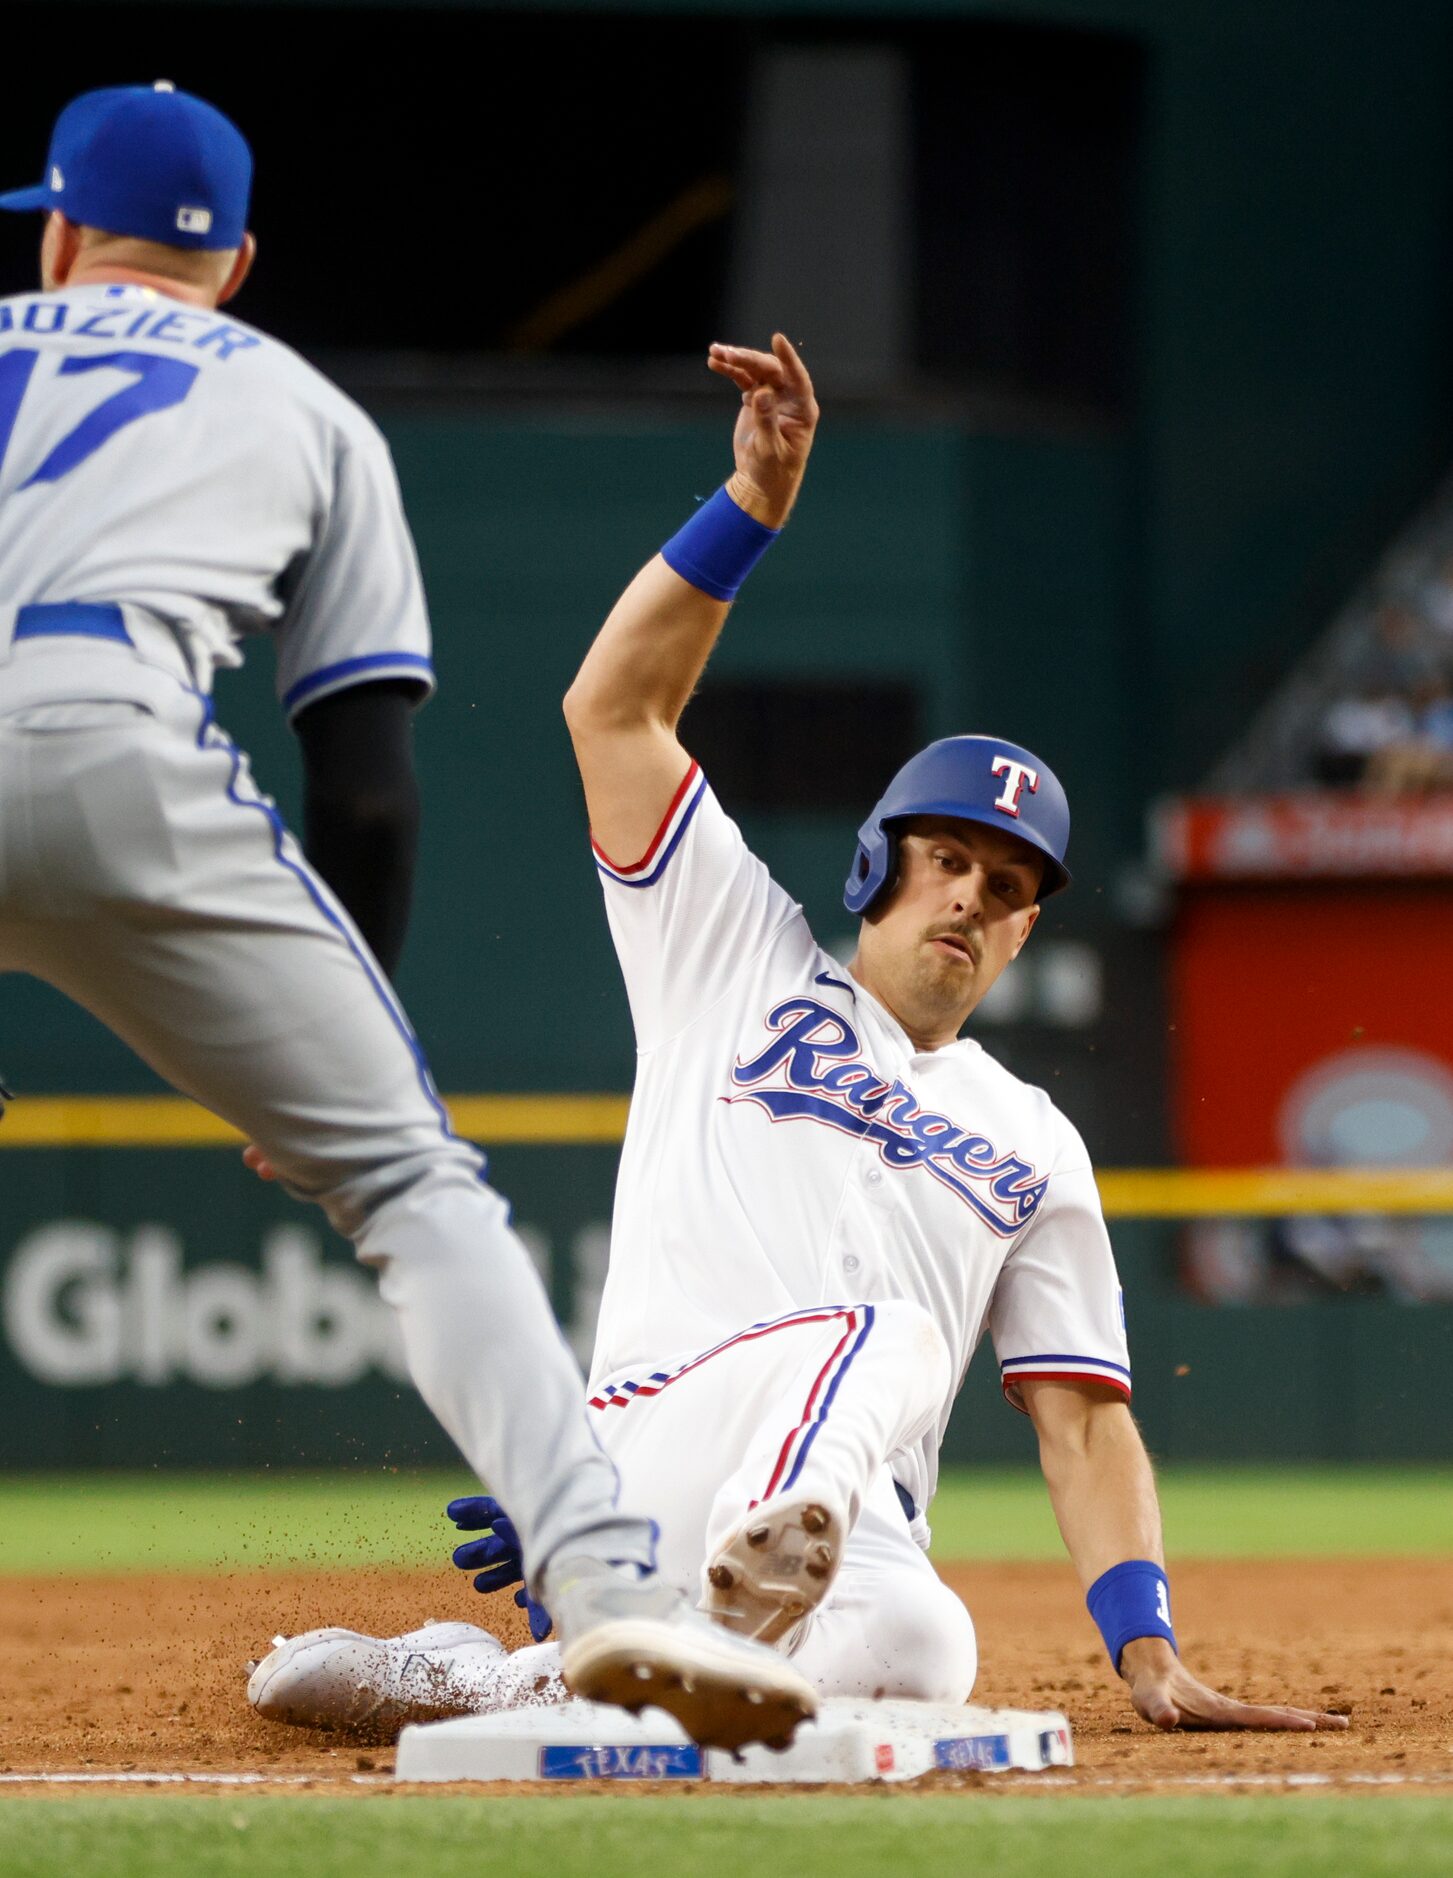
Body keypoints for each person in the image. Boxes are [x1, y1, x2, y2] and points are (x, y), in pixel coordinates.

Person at [251, 335, 1348, 1738]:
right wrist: (750, 509)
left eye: (1006, 886)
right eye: (946, 856)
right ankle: (696, 1579)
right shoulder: (731, 950)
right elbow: (612, 709)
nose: (971, 892)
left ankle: (509, 1677)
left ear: (1022, 936)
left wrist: (1146, 1649)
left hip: (843, 1522)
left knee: (921, 1645)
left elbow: (1080, 1420)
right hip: (656, 1451)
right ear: (873, 869)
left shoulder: (1032, 1139)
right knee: (879, 1328)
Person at [0, 83, 816, 1752]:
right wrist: (326, 1056)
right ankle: (601, 1596)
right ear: (231, 267)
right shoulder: (310, 416)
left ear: (59, 235)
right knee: (411, 1184)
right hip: (113, 732)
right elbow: (362, 775)